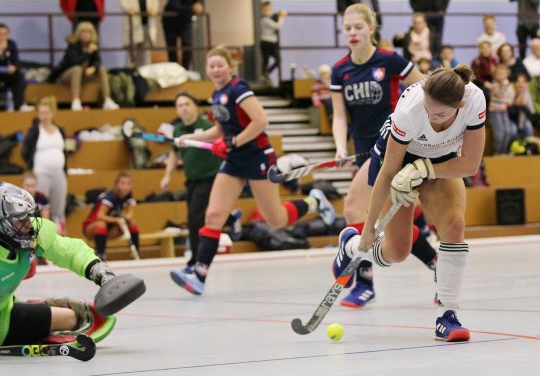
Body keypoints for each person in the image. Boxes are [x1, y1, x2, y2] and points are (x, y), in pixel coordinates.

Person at [333, 64, 486, 342]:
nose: (431, 116)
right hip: (397, 161)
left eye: (439, 113)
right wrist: (367, 230)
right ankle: (350, 245)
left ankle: (448, 315)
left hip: (440, 162)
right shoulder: (410, 110)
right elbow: (387, 172)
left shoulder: (474, 100)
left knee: (454, 224)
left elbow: (470, 164)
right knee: (397, 251)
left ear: (459, 105)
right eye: (428, 109)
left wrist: (424, 169)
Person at [169, 45, 335, 295]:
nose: (215, 70)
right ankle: (200, 274)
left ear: (230, 66)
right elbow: (220, 130)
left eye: (220, 65)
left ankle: (313, 201)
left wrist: (234, 142)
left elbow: (260, 121)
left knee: (276, 219)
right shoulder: (217, 94)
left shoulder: (239, 89)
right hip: (234, 160)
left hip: (257, 156)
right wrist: (191, 136)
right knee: (213, 215)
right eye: (211, 66)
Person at [331, 4, 435, 308]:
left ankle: (363, 283)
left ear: (371, 28)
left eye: (357, 27)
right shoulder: (340, 69)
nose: (352, 33)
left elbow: (425, 90)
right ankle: (437, 264)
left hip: (393, 146)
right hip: (363, 152)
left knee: (354, 209)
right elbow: (339, 116)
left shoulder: (390, 61)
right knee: (396, 222)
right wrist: (340, 147)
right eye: (347, 28)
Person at [0, 181, 126, 346]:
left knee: (79, 318)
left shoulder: (26, 231)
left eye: (28, 217)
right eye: (20, 220)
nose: (29, 224)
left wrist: (101, 273)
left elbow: (70, 251)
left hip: (5, 312)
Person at [160, 92, 221, 276]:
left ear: (195, 105)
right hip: (191, 182)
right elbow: (174, 154)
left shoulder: (207, 126)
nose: (184, 108)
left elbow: (220, 143)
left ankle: (195, 261)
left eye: (187, 104)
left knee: (195, 220)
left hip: (210, 179)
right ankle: (232, 219)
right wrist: (167, 175)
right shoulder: (178, 130)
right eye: (180, 105)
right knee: (201, 219)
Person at [21, 96, 68, 235]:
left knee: (59, 209)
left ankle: (61, 238)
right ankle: (41, 238)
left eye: (46, 113)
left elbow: (63, 152)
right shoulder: (35, 131)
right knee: (41, 208)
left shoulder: (60, 130)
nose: (44, 116)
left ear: (52, 113)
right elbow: (25, 152)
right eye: (41, 113)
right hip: (41, 173)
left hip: (58, 173)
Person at [47, 21, 119, 111]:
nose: (86, 35)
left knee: (102, 69)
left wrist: (94, 67)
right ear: (79, 33)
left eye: (88, 32)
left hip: (84, 76)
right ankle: (75, 100)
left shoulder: (93, 46)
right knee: (77, 69)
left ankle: (107, 100)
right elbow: (74, 62)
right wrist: (87, 53)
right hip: (68, 75)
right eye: (83, 32)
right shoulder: (73, 45)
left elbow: (98, 61)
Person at [82, 171, 139, 261]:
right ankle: (101, 255)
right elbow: (100, 216)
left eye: (129, 184)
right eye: (123, 183)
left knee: (132, 222)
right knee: (102, 223)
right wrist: (117, 220)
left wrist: (125, 218)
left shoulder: (128, 195)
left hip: (109, 229)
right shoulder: (110, 197)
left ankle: (136, 252)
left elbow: (130, 213)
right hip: (92, 228)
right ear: (116, 184)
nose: (126, 187)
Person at [0, 23, 31, 112]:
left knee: (19, 76)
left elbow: (16, 61)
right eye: (0, 34)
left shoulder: (12, 44)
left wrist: (14, 67)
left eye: (5, 34)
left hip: (9, 73)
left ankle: (20, 105)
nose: (2, 36)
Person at [162, 0, 204, 70]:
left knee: (188, 45)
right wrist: (192, 8)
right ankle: (173, 71)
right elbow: (175, 6)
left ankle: (185, 70)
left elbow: (199, 4)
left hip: (186, 20)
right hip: (170, 21)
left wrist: (200, 5)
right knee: (172, 47)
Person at [120, 0, 160, 67]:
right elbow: (124, 4)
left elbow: (155, 5)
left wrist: (154, 10)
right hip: (133, 26)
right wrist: (129, 9)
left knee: (145, 55)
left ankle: (144, 75)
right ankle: (130, 73)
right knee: (132, 55)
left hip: (146, 26)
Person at [488, 64, 515, 155]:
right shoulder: (494, 84)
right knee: (499, 133)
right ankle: (497, 151)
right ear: (495, 75)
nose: (501, 76)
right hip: (495, 111)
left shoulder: (508, 84)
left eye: (503, 74)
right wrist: (505, 86)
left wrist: (507, 103)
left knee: (508, 130)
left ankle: (504, 150)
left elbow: (510, 98)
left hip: (504, 111)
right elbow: (498, 94)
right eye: (499, 73)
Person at [260, 1, 287, 83]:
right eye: (266, 9)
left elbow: (275, 16)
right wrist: (282, 17)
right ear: (262, 10)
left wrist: (280, 14)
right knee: (266, 61)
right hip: (266, 42)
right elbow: (277, 25)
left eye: (269, 9)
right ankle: (264, 75)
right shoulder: (264, 20)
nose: (268, 11)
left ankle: (267, 72)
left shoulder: (270, 18)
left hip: (273, 43)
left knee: (278, 60)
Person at [508, 73, 535, 140]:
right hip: (509, 120)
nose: (521, 84)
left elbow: (531, 113)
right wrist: (515, 104)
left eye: (523, 82)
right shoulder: (508, 91)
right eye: (518, 82)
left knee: (528, 126)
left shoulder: (527, 93)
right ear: (514, 83)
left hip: (522, 120)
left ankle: (528, 148)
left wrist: (522, 105)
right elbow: (508, 113)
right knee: (513, 129)